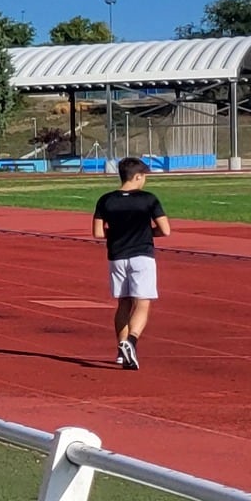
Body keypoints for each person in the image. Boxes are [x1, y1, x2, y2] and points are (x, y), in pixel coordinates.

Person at [92, 157, 173, 370]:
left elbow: (98, 233)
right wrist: (146, 233)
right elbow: (165, 230)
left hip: (117, 256)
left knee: (123, 303)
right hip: (142, 256)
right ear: (138, 176)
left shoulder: (105, 200)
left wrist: (118, 234)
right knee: (142, 303)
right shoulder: (149, 199)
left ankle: (121, 349)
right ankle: (132, 341)